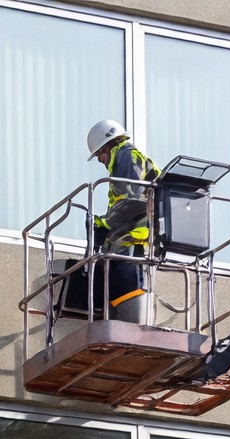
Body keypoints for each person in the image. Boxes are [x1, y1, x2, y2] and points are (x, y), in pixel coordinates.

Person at [86, 118, 158, 323]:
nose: (100, 160)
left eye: (99, 154)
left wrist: (103, 225)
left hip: (133, 240)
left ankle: (133, 325)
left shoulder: (127, 157)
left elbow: (132, 201)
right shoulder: (121, 162)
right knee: (118, 278)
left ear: (107, 146)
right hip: (127, 240)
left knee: (125, 281)